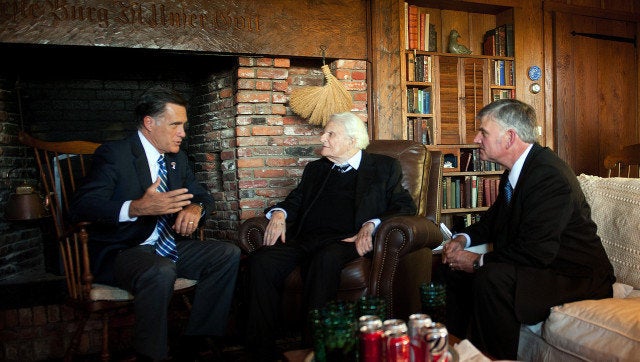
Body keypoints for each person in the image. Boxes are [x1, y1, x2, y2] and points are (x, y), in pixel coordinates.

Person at [69, 86, 241, 362]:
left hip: (168, 246)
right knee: (160, 271)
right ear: (149, 123)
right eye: (175, 125)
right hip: (123, 251)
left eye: (184, 125)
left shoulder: (177, 159)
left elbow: (202, 195)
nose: (183, 133)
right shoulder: (115, 153)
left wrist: (196, 208)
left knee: (227, 254)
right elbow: (81, 206)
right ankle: (153, 356)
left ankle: (194, 343)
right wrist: (136, 207)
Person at [439, 99, 615, 359]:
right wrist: (462, 240)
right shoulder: (516, 172)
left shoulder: (548, 176)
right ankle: (455, 353)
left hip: (575, 275)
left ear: (510, 137)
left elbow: (536, 251)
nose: (477, 139)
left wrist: (477, 261)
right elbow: (494, 222)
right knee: (451, 268)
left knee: (491, 277)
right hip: (544, 262)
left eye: (483, 132)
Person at [245, 111, 417, 361]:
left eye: (330, 133)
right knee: (261, 261)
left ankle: (313, 348)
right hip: (306, 239)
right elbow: (296, 200)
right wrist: (280, 214)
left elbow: (405, 207)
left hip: (347, 241)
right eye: (324, 132)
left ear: (353, 140)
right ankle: (260, 351)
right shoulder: (316, 169)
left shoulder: (383, 167)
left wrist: (371, 225)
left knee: (324, 260)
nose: (322, 138)